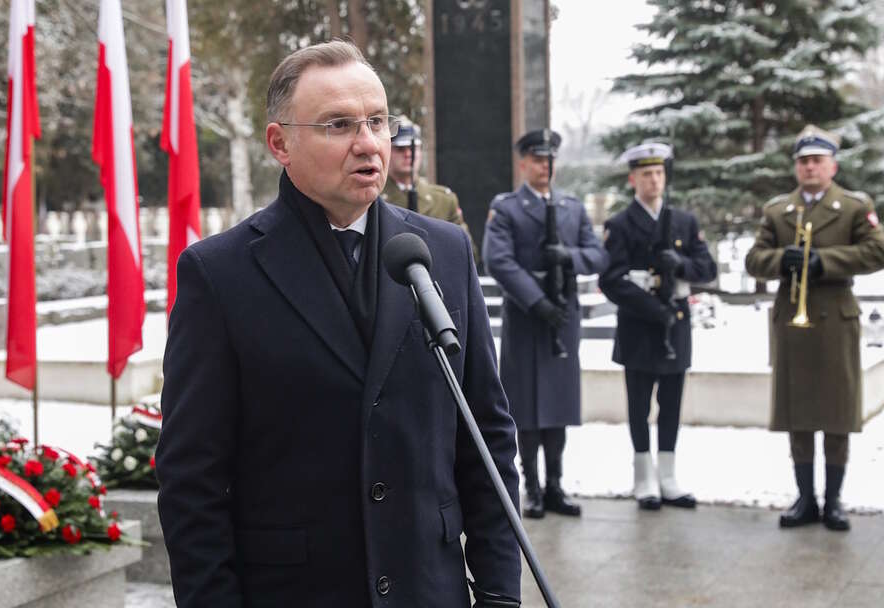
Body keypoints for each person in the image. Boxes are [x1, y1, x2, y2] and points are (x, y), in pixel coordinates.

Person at [155, 41, 521, 608]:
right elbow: (191, 481)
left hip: (431, 589)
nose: (369, 143)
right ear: (280, 143)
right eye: (338, 125)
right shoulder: (219, 274)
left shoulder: (443, 251)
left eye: (377, 121)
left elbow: (487, 441)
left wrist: (500, 593)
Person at [745, 125, 884, 531]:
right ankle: (805, 498)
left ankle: (834, 500)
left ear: (832, 166)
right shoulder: (778, 211)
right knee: (799, 411)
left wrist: (826, 261)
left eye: (816, 161)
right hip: (793, 318)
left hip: (835, 318)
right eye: (803, 161)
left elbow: (877, 250)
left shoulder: (855, 207)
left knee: (837, 412)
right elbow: (755, 259)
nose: (809, 167)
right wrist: (778, 262)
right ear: (796, 168)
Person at [482, 129, 608, 519]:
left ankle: (556, 484)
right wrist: (536, 301)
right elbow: (498, 261)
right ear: (523, 163)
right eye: (537, 160)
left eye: (549, 160)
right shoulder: (507, 208)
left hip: (563, 315)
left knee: (559, 405)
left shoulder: (571, 207)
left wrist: (567, 256)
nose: (544, 166)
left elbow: (597, 255)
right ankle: (531, 486)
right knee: (527, 407)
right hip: (527, 316)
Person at [598, 143, 717, 511]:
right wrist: (652, 309)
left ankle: (668, 475)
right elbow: (611, 279)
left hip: (675, 326)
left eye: (659, 173)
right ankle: (643, 475)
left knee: (670, 403)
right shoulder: (620, 224)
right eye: (646, 174)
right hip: (640, 325)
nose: (653, 180)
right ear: (634, 179)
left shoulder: (683, 221)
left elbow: (707, 269)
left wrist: (679, 264)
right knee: (638, 405)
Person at [382, 117, 479, 261]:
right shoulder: (375, 198)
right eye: (400, 149)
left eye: (413, 148)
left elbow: (468, 251)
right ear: (387, 151)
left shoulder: (443, 200)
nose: (408, 154)